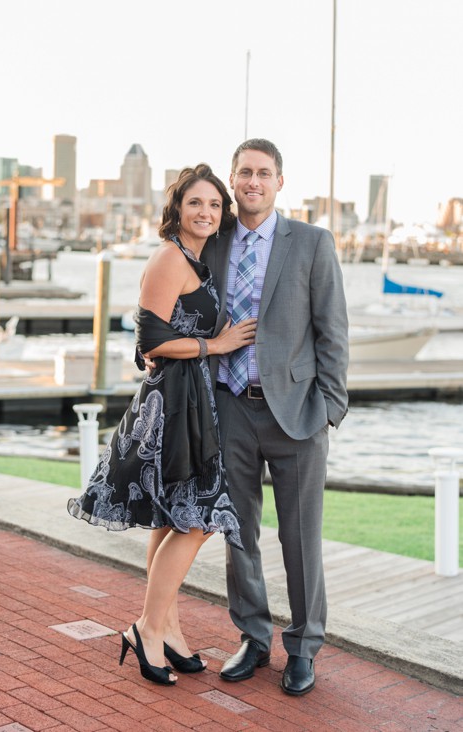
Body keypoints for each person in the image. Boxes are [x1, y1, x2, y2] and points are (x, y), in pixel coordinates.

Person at [68, 164, 253, 685]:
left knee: (173, 517)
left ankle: (166, 629)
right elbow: (152, 340)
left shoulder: (195, 258)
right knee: (196, 520)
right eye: (197, 203)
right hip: (171, 406)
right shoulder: (171, 257)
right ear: (178, 208)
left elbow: (147, 330)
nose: (207, 212)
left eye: (215, 205)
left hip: (189, 399)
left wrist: (169, 349)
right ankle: (148, 628)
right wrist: (215, 345)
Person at [202, 139, 349, 697]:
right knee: (238, 532)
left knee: (300, 538)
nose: (253, 182)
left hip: (297, 414)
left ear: (280, 182)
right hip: (230, 407)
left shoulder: (312, 242)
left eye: (264, 173)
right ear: (233, 180)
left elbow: (332, 330)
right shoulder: (213, 243)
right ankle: (254, 637)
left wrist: (330, 408)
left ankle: (304, 648)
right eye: (244, 173)